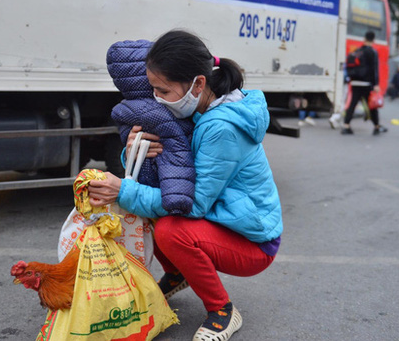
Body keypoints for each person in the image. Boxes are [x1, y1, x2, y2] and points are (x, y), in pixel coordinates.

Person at [87, 29, 282, 341]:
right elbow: (165, 168)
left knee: (170, 230)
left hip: (254, 241)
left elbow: (193, 203)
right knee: (149, 209)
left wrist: (122, 191)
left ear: (198, 84)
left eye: (163, 91)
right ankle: (178, 273)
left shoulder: (221, 128)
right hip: (224, 219)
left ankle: (222, 310)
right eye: (152, 90)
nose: (157, 99)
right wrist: (136, 149)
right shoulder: (196, 107)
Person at [341, 31, 388, 135]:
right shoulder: (372, 52)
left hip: (355, 82)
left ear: (364, 39)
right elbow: (374, 69)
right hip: (366, 83)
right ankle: (377, 126)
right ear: (373, 40)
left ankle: (346, 126)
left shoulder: (358, 51)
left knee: (352, 104)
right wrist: (376, 84)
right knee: (372, 105)